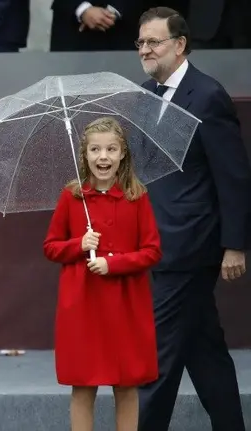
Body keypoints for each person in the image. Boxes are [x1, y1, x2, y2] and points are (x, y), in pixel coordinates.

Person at [135, 7, 251, 431]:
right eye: (141, 43)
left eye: (154, 42)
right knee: (204, 350)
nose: (145, 50)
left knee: (159, 355)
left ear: (180, 45)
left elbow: (233, 175)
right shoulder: (144, 94)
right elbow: (144, 169)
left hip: (189, 245)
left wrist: (234, 244)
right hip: (157, 240)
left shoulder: (207, 94)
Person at [43, 117, 161, 431]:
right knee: (83, 384)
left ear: (123, 154)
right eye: (95, 150)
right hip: (83, 305)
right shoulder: (72, 197)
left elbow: (152, 251)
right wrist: (79, 244)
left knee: (126, 384)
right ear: (85, 155)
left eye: (111, 149)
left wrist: (114, 264)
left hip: (125, 305)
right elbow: (51, 247)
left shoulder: (137, 197)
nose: (103, 157)